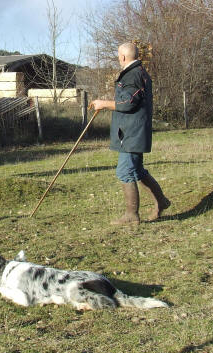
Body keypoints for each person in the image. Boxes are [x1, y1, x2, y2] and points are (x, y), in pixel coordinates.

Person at [90, 42, 170, 225]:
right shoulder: (139, 72)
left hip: (131, 132)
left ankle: (131, 215)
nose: (118, 58)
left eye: (119, 55)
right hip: (134, 130)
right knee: (138, 171)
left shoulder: (132, 75)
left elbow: (129, 102)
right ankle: (162, 202)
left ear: (123, 57)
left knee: (125, 171)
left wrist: (104, 104)